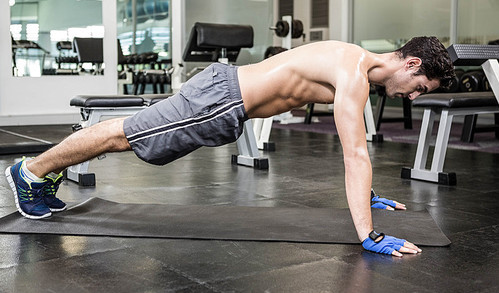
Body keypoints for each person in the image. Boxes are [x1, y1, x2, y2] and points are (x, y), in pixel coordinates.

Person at [5, 36, 454, 257]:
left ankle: (39, 173)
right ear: (411, 63)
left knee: (129, 134)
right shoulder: (354, 74)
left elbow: (354, 151)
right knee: (124, 134)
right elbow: (355, 153)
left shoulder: (354, 60)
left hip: (224, 99)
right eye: (420, 85)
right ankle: (30, 172)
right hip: (222, 99)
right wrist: (368, 234)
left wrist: (368, 195)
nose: (413, 96)